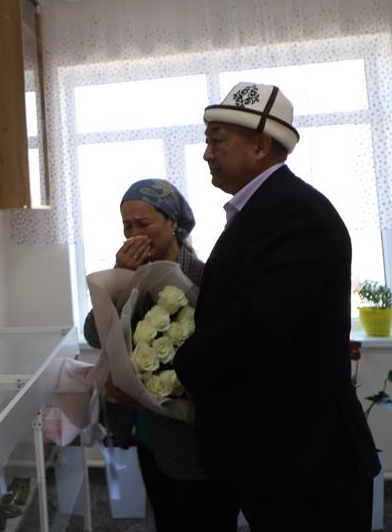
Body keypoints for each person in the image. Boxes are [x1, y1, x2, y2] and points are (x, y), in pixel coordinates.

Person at [173, 82, 380, 530]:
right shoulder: (267, 208)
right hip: (278, 452)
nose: (207, 154)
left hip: (304, 459)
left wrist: (183, 367)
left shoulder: (294, 213)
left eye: (216, 142)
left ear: (261, 146)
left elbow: (258, 323)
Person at [84, 178, 239, 532]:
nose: (134, 234)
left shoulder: (202, 276)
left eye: (144, 223)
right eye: (127, 226)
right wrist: (120, 276)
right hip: (147, 432)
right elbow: (94, 334)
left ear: (173, 222)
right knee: (166, 517)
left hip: (195, 436)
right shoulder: (130, 275)